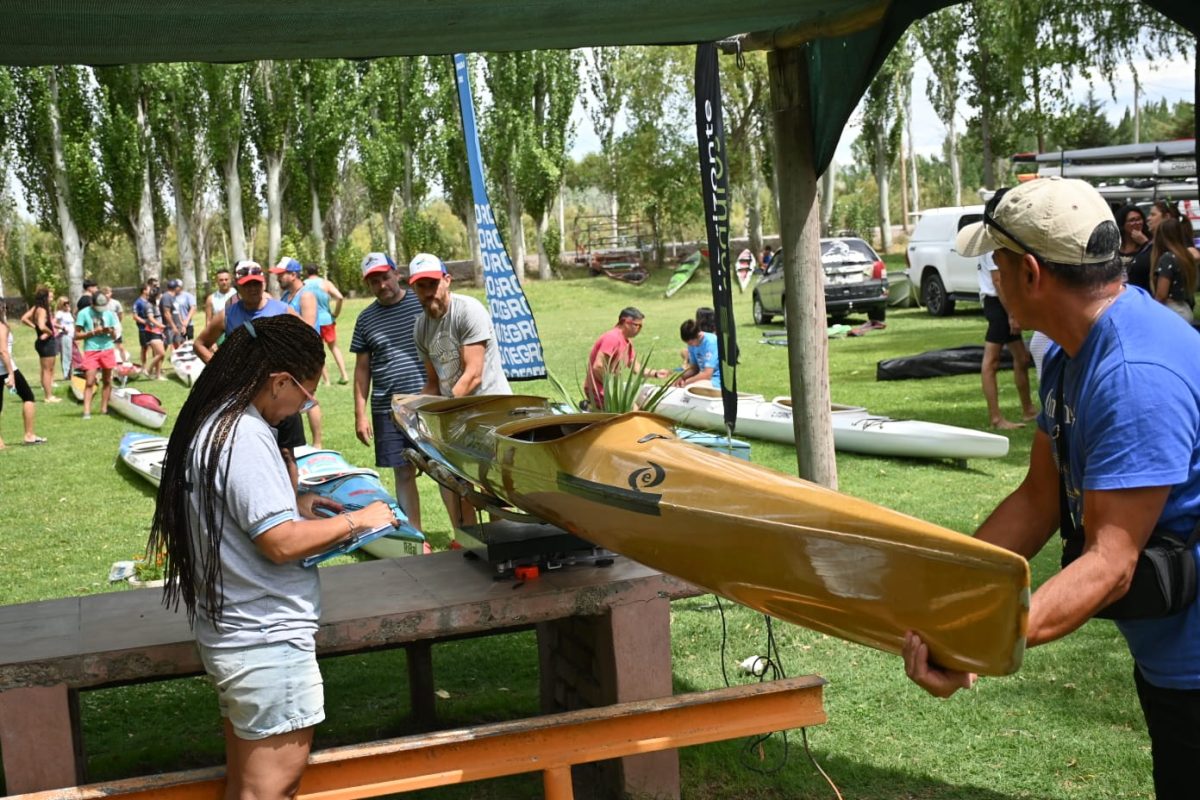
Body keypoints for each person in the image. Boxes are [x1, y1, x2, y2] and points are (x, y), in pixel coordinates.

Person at [902, 177, 1200, 800]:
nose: (991, 278)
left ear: (1030, 272)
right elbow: (1037, 500)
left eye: (996, 264)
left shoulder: (1132, 374)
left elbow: (1112, 565)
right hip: (1171, 659)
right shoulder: (1072, 353)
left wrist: (976, 635)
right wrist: (949, 594)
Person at [147, 314, 396, 800]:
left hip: (239, 635)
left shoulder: (217, 422)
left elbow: (239, 514)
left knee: (247, 790)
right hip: (266, 641)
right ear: (279, 381)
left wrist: (294, 504)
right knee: (270, 792)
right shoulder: (245, 435)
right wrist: (358, 520)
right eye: (306, 394)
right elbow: (279, 542)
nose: (305, 405)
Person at [410, 252, 511, 529]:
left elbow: (473, 374)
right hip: (455, 414)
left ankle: (501, 536)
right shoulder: (421, 327)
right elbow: (432, 382)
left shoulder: (469, 311)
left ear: (447, 280)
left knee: (492, 483)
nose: (428, 291)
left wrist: (443, 412)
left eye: (433, 283)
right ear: (413, 288)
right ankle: (467, 540)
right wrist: (413, 412)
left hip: (490, 411)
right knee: (453, 479)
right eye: (421, 285)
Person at [196, 260, 310, 480]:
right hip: (246, 397)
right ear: (238, 285)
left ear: (264, 282)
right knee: (248, 452)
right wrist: (221, 370)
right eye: (247, 284)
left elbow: (307, 341)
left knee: (286, 453)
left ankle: (292, 505)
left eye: (257, 283)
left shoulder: (282, 310)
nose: (253, 289)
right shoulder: (228, 315)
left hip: (281, 395)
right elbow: (200, 344)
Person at [350, 253, 427, 530]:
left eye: (385, 277)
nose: (382, 285)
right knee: (403, 473)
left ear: (397, 274)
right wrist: (360, 415)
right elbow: (362, 370)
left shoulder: (422, 303)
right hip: (388, 409)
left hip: (428, 403)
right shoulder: (365, 319)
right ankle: (416, 535)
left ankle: (460, 532)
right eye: (374, 281)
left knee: (446, 472)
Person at [978, 251, 1037, 429]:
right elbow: (998, 281)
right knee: (991, 362)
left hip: (1002, 304)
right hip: (997, 304)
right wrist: (1012, 313)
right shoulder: (991, 249)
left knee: (1022, 357)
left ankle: (1028, 410)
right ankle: (996, 419)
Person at [270, 258, 324, 446]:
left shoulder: (306, 296)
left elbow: (308, 328)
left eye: (281, 274)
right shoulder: (286, 298)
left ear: (293, 275)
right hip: (291, 354)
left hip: (306, 355)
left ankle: (317, 443)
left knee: (308, 398)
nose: (278, 278)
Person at [584, 307, 670, 411]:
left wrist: (656, 373)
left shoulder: (627, 342)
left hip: (610, 390)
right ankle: (590, 408)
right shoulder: (612, 338)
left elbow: (636, 368)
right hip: (598, 390)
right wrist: (612, 388)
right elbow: (598, 366)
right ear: (624, 322)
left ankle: (590, 408)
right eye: (636, 325)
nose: (639, 329)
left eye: (641, 326)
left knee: (637, 409)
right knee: (633, 411)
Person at [0, 303, 46, 447]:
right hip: (4, 368)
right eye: (4, 307)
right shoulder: (1, 327)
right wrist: (11, 374)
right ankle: (29, 435)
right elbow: (3, 351)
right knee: (28, 396)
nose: (6, 310)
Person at [74, 291, 119, 419]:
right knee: (90, 381)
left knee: (107, 380)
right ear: (92, 303)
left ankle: (104, 409)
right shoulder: (83, 314)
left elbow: (115, 335)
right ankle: (86, 411)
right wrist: (93, 332)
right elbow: (76, 335)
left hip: (107, 348)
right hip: (91, 350)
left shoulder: (109, 314)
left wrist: (110, 332)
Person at [304, 263, 350, 385]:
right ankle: (344, 375)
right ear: (318, 271)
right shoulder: (325, 283)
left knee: (318, 351)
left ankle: (326, 380)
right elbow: (340, 297)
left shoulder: (304, 285)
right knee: (334, 348)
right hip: (327, 320)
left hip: (312, 321)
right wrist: (335, 313)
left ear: (306, 272)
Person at [1150, 217, 1197, 322]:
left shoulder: (1167, 258)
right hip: (1185, 309)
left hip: (1171, 311)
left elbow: (1161, 295)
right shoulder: (1185, 257)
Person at [19, 285, 60, 402]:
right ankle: (48, 396)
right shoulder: (42, 310)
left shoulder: (36, 308)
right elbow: (42, 326)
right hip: (46, 343)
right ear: (45, 297)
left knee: (48, 369)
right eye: (49, 296)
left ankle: (49, 394)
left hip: (43, 342)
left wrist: (35, 327)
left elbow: (25, 318)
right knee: (48, 370)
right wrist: (49, 331)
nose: (51, 298)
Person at [131, 280, 166, 380]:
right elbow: (141, 317)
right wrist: (155, 324)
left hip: (156, 330)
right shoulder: (143, 303)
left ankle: (157, 374)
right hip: (150, 330)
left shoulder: (154, 304)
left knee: (158, 353)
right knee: (147, 349)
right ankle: (146, 368)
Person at [677, 318, 721, 388]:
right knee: (673, 386)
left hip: (716, 380)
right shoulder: (692, 344)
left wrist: (687, 382)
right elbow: (694, 369)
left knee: (691, 388)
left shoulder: (711, 342)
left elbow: (707, 374)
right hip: (702, 378)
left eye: (691, 343)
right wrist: (681, 377)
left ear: (698, 335)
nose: (690, 346)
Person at [1115, 204, 1151, 286]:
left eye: (1139, 219)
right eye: (1132, 220)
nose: (1137, 223)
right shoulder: (1115, 246)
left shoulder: (1149, 242)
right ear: (1123, 224)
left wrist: (1145, 243)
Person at [99, 285, 129, 363]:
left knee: (119, 346)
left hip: (115, 327)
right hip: (105, 327)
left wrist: (117, 324)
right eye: (105, 293)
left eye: (108, 293)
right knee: (106, 347)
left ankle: (124, 361)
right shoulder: (100, 304)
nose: (107, 295)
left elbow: (120, 314)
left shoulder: (116, 303)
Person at [160, 280, 185, 353]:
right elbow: (166, 313)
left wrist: (182, 324)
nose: (180, 288)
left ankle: (178, 360)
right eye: (179, 287)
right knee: (166, 344)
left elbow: (177, 312)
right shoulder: (166, 297)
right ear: (175, 288)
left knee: (178, 343)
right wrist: (173, 326)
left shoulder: (174, 297)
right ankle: (158, 360)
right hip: (170, 327)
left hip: (177, 325)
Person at [53, 297, 75, 381]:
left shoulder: (68, 313)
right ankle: (66, 374)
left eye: (68, 303)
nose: (67, 305)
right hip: (65, 335)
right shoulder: (60, 313)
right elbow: (54, 323)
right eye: (65, 303)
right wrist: (62, 328)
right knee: (66, 355)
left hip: (71, 336)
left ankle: (70, 373)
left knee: (71, 355)